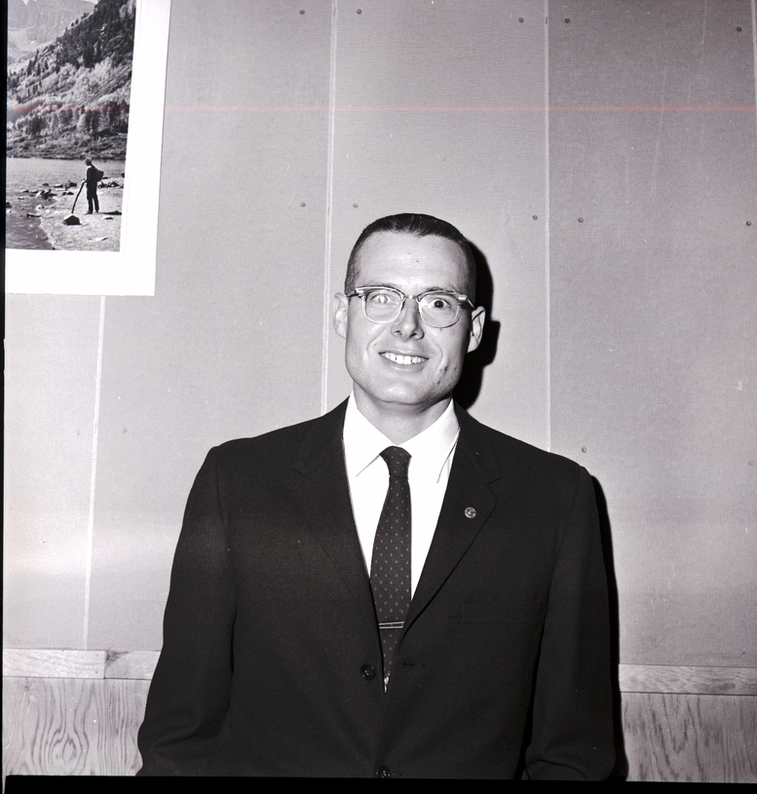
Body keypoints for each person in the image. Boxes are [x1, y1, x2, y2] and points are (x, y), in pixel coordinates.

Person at [137, 213, 615, 779]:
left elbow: (572, 752)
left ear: (474, 329)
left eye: (439, 303)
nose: (408, 326)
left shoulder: (554, 498)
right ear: (344, 313)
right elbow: (181, 735)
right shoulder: (238, 481)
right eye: (382, 297)